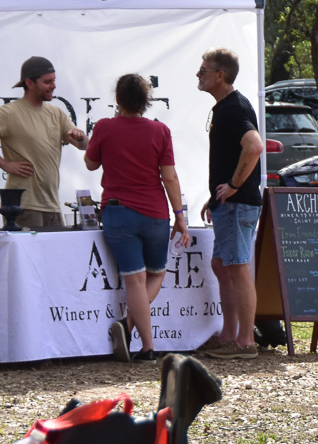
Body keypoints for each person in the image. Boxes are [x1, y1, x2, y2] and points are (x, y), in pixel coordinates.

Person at [85, 74, 190, 363]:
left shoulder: (105, 127)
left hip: (117, 211)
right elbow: (169, 177)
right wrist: (180, 216)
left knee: (134, 279)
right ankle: (133, 333)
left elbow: (91, 164)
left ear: (117, 100)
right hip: (155, 212)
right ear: (146, 102)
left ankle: (146, 345)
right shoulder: (160, 131)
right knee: (157, 274)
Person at [197, 48, 264, 360]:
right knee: (222, 265)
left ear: (219, 75)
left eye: (203, 70)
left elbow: (254, 146)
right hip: (231, 205)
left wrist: (234, 186)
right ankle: (229, 334)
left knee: (237, 267)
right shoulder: (226, 107)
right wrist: (216, 195)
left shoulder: (234, 108)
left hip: (239, 205)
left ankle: (245, 341)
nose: (199, 75)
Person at [0, 56, 87, 227]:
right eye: (47, 82)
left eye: (54, 81)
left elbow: (84, 146)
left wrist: (80, 137)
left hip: (52, 204)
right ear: (29, 83)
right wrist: (4, 164)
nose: (54, 86)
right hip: (23, 206)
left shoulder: (57, 113)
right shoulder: (9, 112)